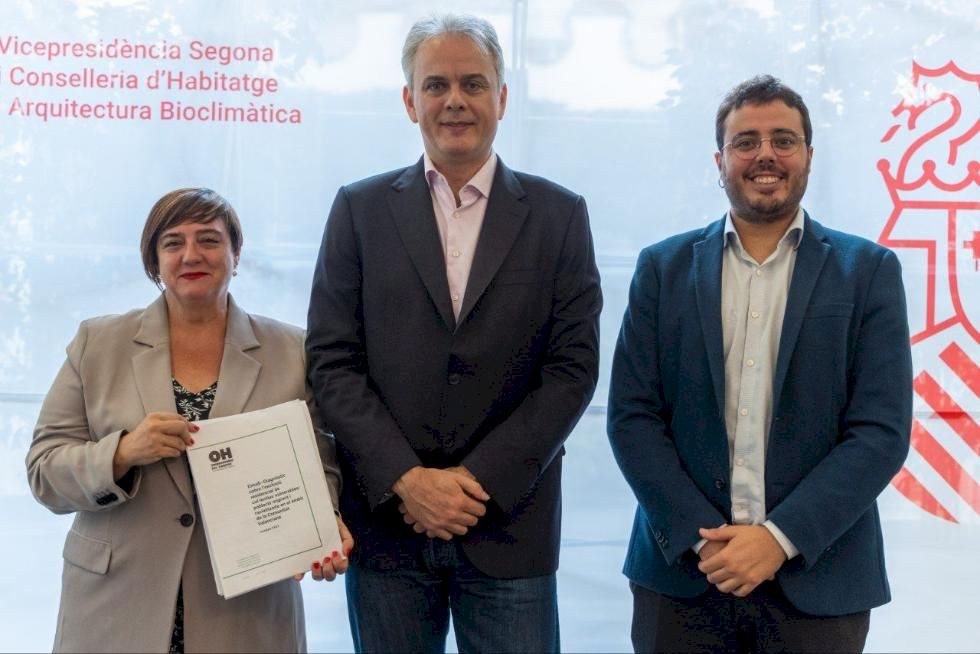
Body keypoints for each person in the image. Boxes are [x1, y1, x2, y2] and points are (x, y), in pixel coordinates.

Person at [306, 13, 602, 654]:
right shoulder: (359, 210)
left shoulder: (559, 215)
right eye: (436, 85)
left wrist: (477, 481)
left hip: (509, 524)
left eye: (473, 83)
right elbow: (332, 361)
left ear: (503, 97)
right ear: (409, 100)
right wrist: (406, 480)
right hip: (388, 525)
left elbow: (572, 370)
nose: (455, 100)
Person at [607, 75, 913, 653]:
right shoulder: (662, 269)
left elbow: (880, 432)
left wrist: (778, 538)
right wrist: (704, 541)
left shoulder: (868, 271)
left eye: (783, 140)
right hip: (683, 579)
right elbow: (632, 418)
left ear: (809, 155)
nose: (765, 154)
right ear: (719, 161)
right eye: (745, 142)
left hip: (820, 580)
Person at [27, 188, 352, 653]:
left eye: (209, 240)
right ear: (154, 261)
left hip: (245, 609)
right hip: (115, 606)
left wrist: (323, 526)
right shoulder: (96, 343)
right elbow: (44, 472)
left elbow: (321, 465)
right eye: (173, 242)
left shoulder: (293, 350)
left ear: (236, 255)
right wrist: (121, 453)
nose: (191, 254)